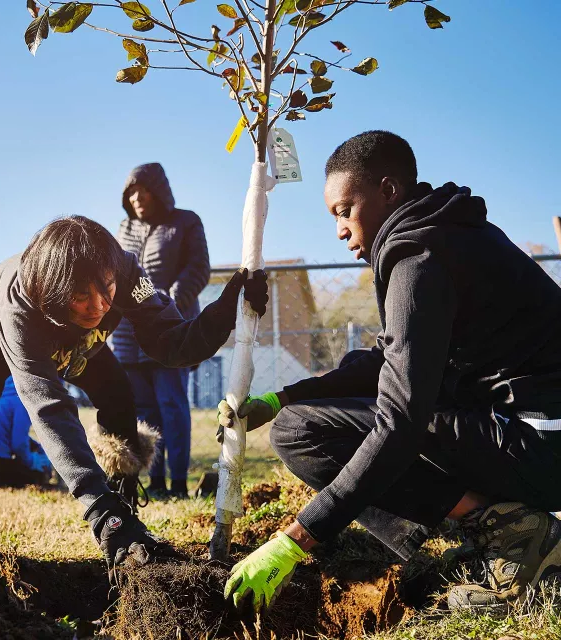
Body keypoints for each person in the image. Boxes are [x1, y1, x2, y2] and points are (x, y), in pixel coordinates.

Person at [219, 131, 561, 614]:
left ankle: (513, 534)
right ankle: (502, 524)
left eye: (344, 210)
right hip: (536, 437)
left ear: (388, 191)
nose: (339, 230)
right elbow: (390, 358)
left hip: (541, 444)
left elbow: (401, 417)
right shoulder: (444, 234)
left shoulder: (418, 259)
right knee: (301, 418)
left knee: (303, 434)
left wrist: (297, 538)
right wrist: (283, 398)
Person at [0, 215, 268, 583]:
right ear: (56, 294)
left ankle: (123, 504)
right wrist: (97, 510)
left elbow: (170, 342)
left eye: (106, 289)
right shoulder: (18, 309)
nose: (100, 306)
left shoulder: (124, 272)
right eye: (81, 296)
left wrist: (225, 309)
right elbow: (48, 408)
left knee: (117, 391)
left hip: (75, 338)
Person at [112, 163, 210, 499]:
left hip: (171, 329)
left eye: (143, 190)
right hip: (129, 336)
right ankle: (153, 482)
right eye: (131, 192)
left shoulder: (185, 222)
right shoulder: (124, 229)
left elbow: (198, 268)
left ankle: (178, 482)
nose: (137, 197)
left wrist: (169, 301)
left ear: (159, 190)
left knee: (172, 406)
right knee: (144, 411)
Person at [0, 376, 52, 489]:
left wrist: (35, 445)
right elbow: (18, 444)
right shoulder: (22, 401)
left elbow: (3, 431)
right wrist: (32, 461)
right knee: (31, 476)